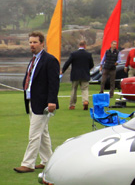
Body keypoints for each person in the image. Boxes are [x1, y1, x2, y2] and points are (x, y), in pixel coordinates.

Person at [15, 31, 59, 173]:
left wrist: (52, 101)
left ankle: (28, 163)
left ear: (42, 43)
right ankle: (47, 161)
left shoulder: (50, 60)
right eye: (30, 42)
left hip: (43, 103)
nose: (32, 45)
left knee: (34, 134)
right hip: (31, 100)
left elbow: (54, 83)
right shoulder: (33, 60)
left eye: (34, 42)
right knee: (43, 133)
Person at [61, 39, 94, 110]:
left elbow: (67, 63)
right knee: (85, 89)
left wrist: (62, 70)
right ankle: (85, 101)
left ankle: (72, 105)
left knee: (74, 90)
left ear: (79, 45)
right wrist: (87, 69)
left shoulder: (73, 54)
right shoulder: (88, 54)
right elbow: (92, 65)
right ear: (85, 46)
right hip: (85, 74)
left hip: (75, 75)